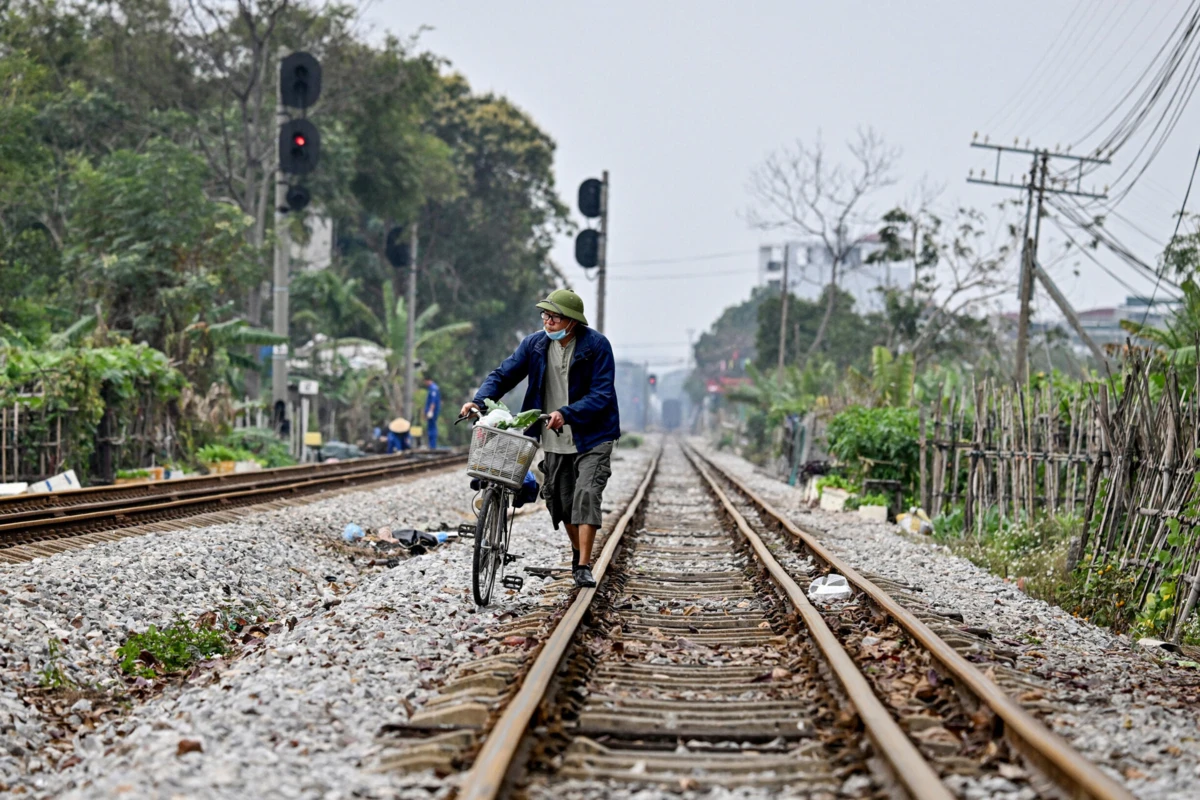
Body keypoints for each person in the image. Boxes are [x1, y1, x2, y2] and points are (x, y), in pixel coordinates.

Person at [460, 289, 620, 588]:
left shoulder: (596, 346)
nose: (547, 322)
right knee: (559, 502)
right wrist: (479, 401)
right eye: (545, 316)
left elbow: (602, 394)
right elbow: (504, 374)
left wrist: (568, 412)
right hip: (552, 435)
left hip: (593, 434)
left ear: (572, 322)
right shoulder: (534, 345)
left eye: (554, 318)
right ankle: (577, 550)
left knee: (586, 494)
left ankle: (583, 565)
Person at [423, 376, 441, 449]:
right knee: (430, 429)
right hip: (431, 412)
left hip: (432, 413)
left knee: (432, 429)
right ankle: (431, 446)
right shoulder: (431, 388)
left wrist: (430, 411)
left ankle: (432, 447)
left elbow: (433, 402)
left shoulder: (433, 388)